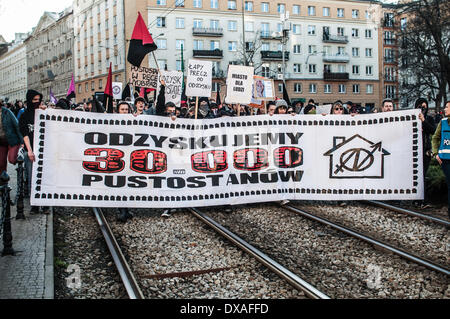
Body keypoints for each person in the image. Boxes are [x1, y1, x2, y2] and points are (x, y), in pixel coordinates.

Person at [19, 90, 49, 214]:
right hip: (31, 151)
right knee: (32, 178)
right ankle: (35, 205)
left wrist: (46, 111)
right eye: (34, 100)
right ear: (30, 100)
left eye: (38, 100)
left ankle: (46, 204)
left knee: (46, 178)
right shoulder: (24, 116)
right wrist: (30, 151)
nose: (37, 102)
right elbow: (25, 135)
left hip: (45, 150)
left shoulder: (43, 113)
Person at [415, 97, 436, 208]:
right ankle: (416, 199)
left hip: (425, 150)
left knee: (422, 175)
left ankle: (424, 199)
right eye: (420, 106)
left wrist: (423, 121)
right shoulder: (412, 117)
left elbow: (433, 131)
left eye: (424, 106)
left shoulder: (430, 118)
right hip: (413, 150)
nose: (423, 108)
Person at [431, 100, 450, 221]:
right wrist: (435, 153)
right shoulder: (442, 122)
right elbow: (435, 138)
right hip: (446, 161)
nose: (445, 109)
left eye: (447, 107)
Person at [0, 103, 23, 174]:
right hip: (1, 142)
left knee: (12, 160)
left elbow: (17, 125)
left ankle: (21, 162)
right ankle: (4, 181)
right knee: (1, 163)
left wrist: (22, 141)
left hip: (12, 140)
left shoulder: (7, 112)